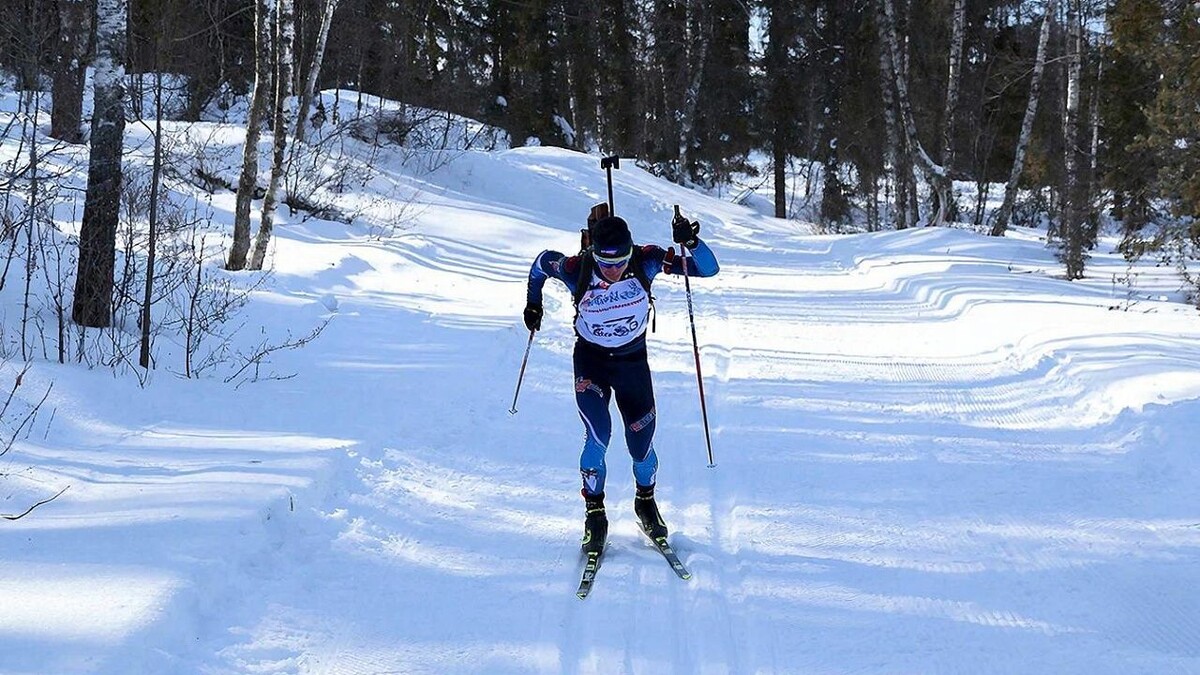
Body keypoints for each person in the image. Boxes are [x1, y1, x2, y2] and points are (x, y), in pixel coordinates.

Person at [523, 206, 720, 553]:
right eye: (605, 262)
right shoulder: (576, 269)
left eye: (620, 261)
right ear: (592, 254)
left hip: (632, 363)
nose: (613, 270)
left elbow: (707, 269)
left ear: (631, 251)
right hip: (592, 362)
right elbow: (541, 263)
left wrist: (690, 240)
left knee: (641, 444)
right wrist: (533, 303)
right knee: (598, 437)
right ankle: (594, 511)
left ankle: (645, 501)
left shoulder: (646, 260)